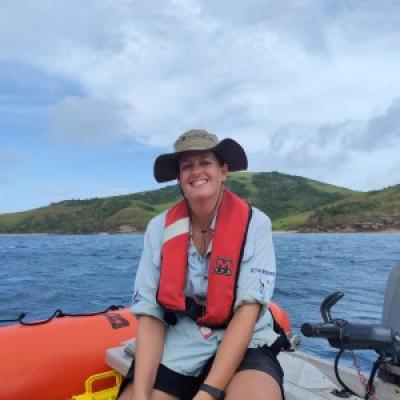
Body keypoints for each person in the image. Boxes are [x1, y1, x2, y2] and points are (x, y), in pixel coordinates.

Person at [118, 129, 284, 400]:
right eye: (186, 166)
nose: (196, 172)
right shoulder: (158, 228)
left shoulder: (257, 223)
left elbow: (248, 310)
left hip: (246, 340)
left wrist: (208, 392)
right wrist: (140, 394)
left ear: (223, 170)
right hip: (184, 338)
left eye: (205, 162)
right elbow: (150, 314)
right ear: (179, 178)